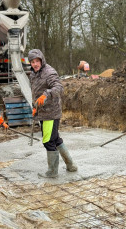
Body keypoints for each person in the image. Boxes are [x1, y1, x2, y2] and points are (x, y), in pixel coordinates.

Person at [28, 49, 78, 178]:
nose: (35, 64)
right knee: (55, 139)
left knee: (48, 141)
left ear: (42, 60)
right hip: (42, 111)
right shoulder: (33, 74)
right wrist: (35, 107)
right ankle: (71, 165)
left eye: (37, 61)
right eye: (32, 62)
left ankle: (52, 172)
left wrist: (46, 95)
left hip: (51, 112)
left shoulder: (49, 72)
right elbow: (35, 93)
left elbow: (59, 88)